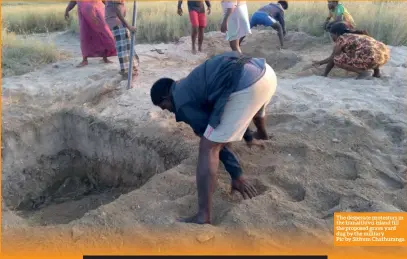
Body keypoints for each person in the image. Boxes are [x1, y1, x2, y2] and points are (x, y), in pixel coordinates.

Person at [150, 51, 278, 224]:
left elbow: (216, 140)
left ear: (166, 97)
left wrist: (236, 174)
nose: (168, 111)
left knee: (208, 147)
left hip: (247, 86)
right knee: (241, 109)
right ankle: (261, 134)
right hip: (265, 73)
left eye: (163, 106)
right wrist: (247, 136)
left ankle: (203, 216)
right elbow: (228, 110)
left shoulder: (182, 103)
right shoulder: (188, 84)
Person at [312, 22, 390, 79]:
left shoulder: (342, 38)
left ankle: (363, 73)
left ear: (336, 33)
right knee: (371, 52)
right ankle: (376, 73)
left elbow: (332, 58)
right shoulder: (359, 35)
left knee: (337, 59)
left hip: (371, 59)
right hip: (384, 57)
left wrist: (322, 69)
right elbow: (372, 50)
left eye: (332, 35)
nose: (332, 38)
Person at [64, 1, 117, 68]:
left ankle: (105, 57)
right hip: (84, 16)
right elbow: (73, 1)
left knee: (103, 34)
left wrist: (112, 9)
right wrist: (67, 10)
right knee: (85, 35)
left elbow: (105, 1)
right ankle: (85, 59)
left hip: (98, 13)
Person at [105, 0, 140, 81]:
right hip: (117, 22)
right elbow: (117, 9)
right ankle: (127, 71)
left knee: (126, 44)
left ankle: (131, 68)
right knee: (123, 47)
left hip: (116, 22)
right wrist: (128, 26)